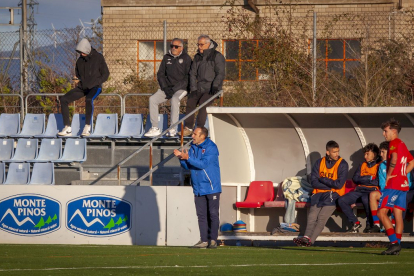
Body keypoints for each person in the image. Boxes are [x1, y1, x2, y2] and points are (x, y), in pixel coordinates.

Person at [293, 140, 348, 247]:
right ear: (328, 152)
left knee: (321, 218)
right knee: (312, 217)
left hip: (333, 194)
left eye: (338, 151)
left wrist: (322, 179)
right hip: (318, 194)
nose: (337, 154)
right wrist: (329, 183)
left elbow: (338, 185)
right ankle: (306, 238)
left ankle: (310, 241)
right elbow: (314, 182)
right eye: (334, 152)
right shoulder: (319, 162)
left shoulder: (343, 163)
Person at [174, 127, 221, 249]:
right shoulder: (194, 147)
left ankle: (213, 240)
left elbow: (203, 164)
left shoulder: (211, 147)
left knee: (213, 214)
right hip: (198, 187)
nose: (192, 136)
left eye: (195, 134)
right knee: (201, 215)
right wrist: (182, 159)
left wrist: (188, 158)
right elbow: (189, 166)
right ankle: (204, 240)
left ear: (202, 136)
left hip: (211, 186)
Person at [58, 38, 109, 136]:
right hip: (83, 87)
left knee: (89, 99)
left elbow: (106, 74)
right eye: (80, 52)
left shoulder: (98, 57)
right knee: (64, 99)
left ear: (87, 50)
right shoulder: (79, 61)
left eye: (83, 52)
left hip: (95, 87)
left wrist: (97, 82)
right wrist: (80, 80)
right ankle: (67, 127)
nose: (81, 54)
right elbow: (78, 73)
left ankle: (87, 127)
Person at [378, 118, 414, 255]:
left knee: (381, 212)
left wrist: (389, 174)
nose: (383, 134)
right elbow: (412, 162)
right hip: (403, 184)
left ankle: (393, 243)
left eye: (385, 131)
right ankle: (397, 245)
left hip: (393, 184)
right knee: (397, 215)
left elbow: (393, 158)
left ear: (393, 131)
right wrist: (403, 173)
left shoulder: (394, 143)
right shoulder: (402, 144)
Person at [144, 38, 192, 137]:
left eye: (176, 46)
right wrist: (165, 88)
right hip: (167, 88)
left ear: (181, 48)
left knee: (174, 100)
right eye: (172, 46)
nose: (173, 48)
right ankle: (155, 128)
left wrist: (174, 89)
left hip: (180, 88)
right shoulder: (166, 57)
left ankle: (173, 128)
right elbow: (160, 74)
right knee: (152, 99)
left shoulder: (186, 58)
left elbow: (187, 78)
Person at [179, 34, 225, 137]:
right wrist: (193, 88)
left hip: (212, 88)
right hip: (199, 87)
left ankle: (199, 128)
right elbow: (192, 73)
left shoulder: (217, 56)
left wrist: (216, 86)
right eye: (198, 44)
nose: (199, 47)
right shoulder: (197, 57)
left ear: (208, 44)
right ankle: (188, 128)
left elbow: (220, 73)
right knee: (191, 102)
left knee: (203, 103)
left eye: (201, 45)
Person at [338, 143, 380, 233]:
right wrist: (369, 178)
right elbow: (355, 179)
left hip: (371, 191)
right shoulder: (362, 165)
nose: (365, 156)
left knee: (366, 199)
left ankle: (370, 224)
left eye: (367, 154)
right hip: (359, 190)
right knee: (342, 200)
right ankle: (355, 222)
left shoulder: (379, 165)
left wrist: (363, 179)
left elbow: (377, 181)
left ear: (375, 154)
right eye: (365, 154)